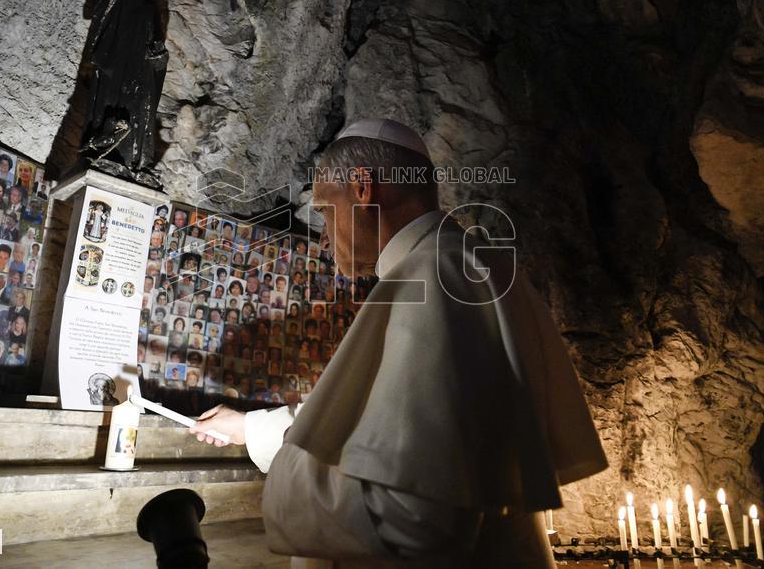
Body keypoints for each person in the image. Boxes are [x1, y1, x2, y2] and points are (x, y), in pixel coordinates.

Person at [192, 119, 607, 568]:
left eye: (326, 211)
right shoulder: (466, 263)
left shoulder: (436, 276)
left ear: (362, 188)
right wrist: (253, 429)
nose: (325, 238)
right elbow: (391, 423)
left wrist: (292, 469)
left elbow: (413, 513)